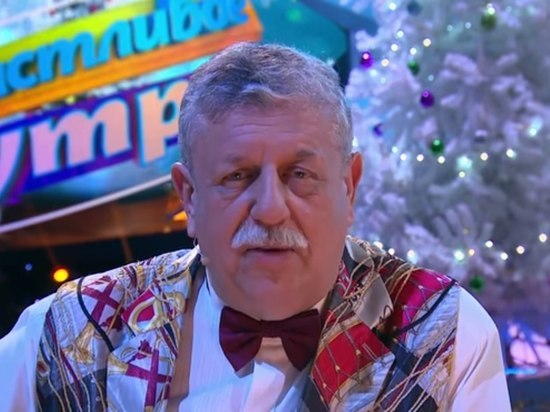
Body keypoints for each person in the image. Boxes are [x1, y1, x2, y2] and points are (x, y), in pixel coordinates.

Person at [0, 42, 510, 411]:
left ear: (349, 187)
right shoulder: (65, 333)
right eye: (237, 176)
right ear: (189, 197)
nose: (269, 209)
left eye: (300, 175)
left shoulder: (443, 332)